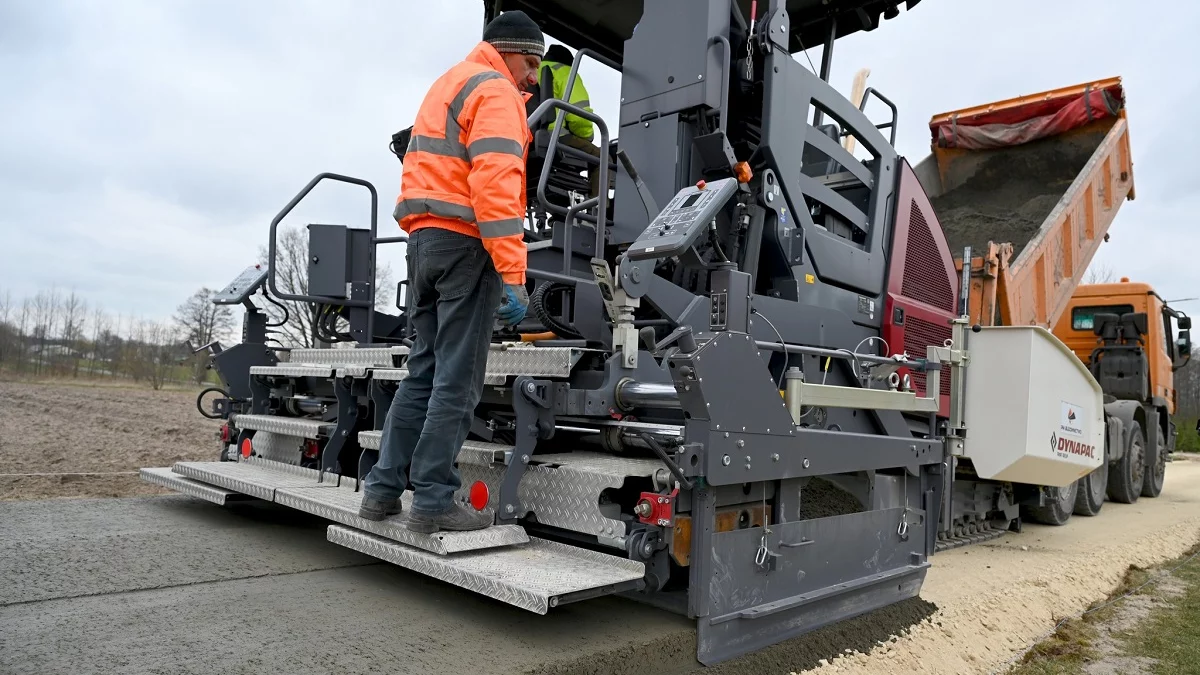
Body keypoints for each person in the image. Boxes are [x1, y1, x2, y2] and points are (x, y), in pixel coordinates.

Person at [358, 11, 544, 533]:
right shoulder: (497, 93)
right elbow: (496, 183)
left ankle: (381, 491)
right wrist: (512, 271)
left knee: (423, 372)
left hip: (422, 242)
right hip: (466, 246)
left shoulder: (449, 82)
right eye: (529, 62)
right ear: (506, 51)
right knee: (457, 381)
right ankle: (435, 500)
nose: (532, 76)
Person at [537, 44, 607, 199]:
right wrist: (588, 136)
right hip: (557, 137)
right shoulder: (565, 71)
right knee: (603, 158)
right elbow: (578, 117)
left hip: (532, 138)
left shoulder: (532, 71)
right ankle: (598, 211)